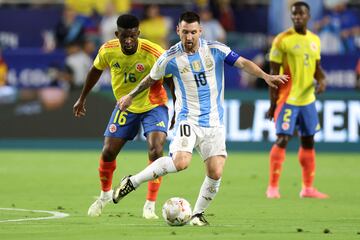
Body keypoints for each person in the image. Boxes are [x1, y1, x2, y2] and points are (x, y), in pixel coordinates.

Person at [112, 11, 288, 226]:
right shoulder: (169, 57)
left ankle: (197, 214)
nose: (188, 37)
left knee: (215, 171)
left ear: (200, 31)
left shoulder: (215, 49)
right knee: (181, 162)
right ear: (178, 31)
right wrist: (130, 96)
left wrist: (266, 76)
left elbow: (242, 63)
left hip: (214, 122)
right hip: (189, 119)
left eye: (193, 32)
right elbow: (151, 79)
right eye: (184, 32)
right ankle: (133, 181)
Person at [73, 14, 174, 219]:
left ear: (138, 33)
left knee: (156, 150)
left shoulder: (154, 52)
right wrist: (82, 98)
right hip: (125, 106)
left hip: (153, 105)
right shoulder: (108, 50)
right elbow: (95, 70)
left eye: (132, 36)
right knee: (108, 151)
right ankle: (104, 196)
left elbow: (171, 80)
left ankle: (150, 205)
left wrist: (178, 108)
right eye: (124, 37)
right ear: (117, 34)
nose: (128, 41)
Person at [265, 2, 328, 199]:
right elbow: (273, 75)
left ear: (308, 16)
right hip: (288, 99)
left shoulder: (315, 40)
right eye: (294, 14)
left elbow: (316, 68)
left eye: (301, 14)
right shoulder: (282, 40)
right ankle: (273, 186)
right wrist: (273, 104)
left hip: (308, 100)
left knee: (308, 141)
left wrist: (322, 79)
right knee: (283, 138)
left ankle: (307, 188)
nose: (297, 17)